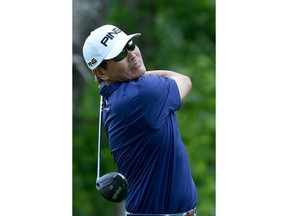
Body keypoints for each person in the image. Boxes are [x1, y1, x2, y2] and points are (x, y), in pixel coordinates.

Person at [82, 24, 198, 216]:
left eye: (130, 44)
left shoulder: (114, 96)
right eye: (119, 54)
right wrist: (140, 76)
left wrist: (135, 76)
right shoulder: (141, 93)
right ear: (101, 73)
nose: (132, 54)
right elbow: (184, 80)